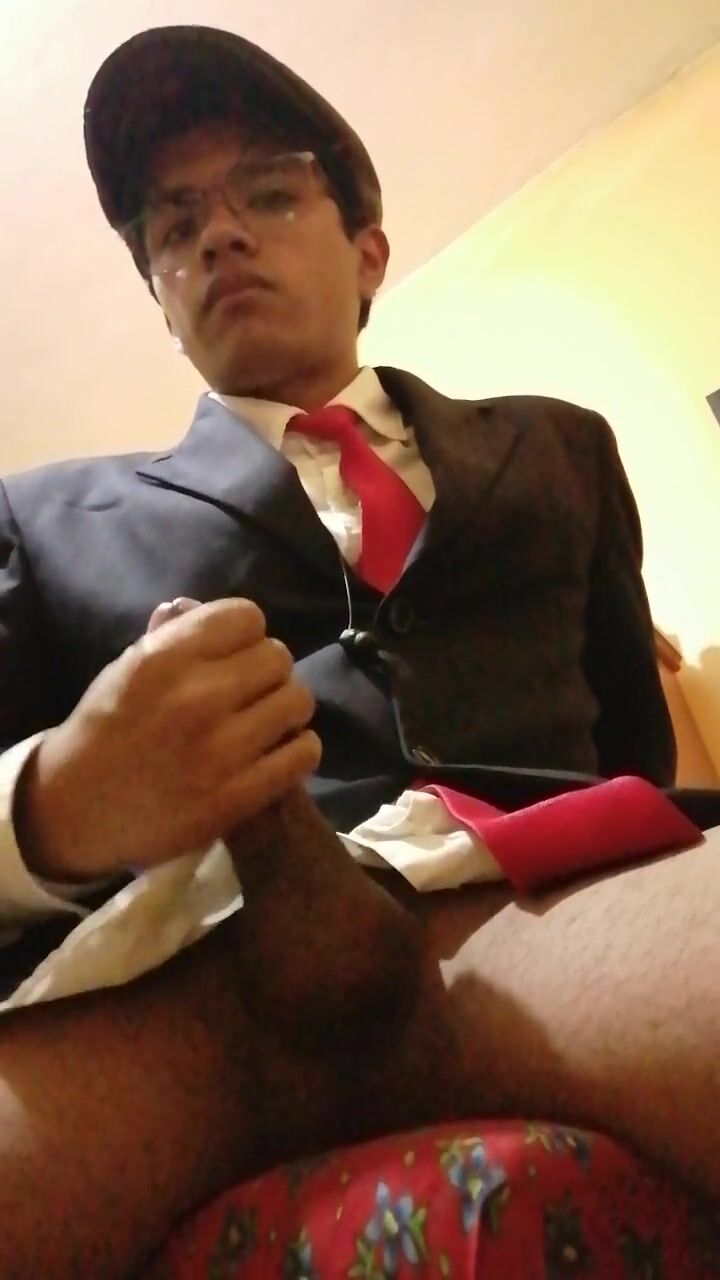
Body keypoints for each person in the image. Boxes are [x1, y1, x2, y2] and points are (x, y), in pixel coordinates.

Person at [0, 23, 718, 1277]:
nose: (219, 235)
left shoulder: (561, 445)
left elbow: (634, 746)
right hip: (193, 989)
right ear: (163, 302)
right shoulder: (36, 518)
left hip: (537, 908)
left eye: (269, 194)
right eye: (175, 225)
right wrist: (54, 805)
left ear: (368, 250)